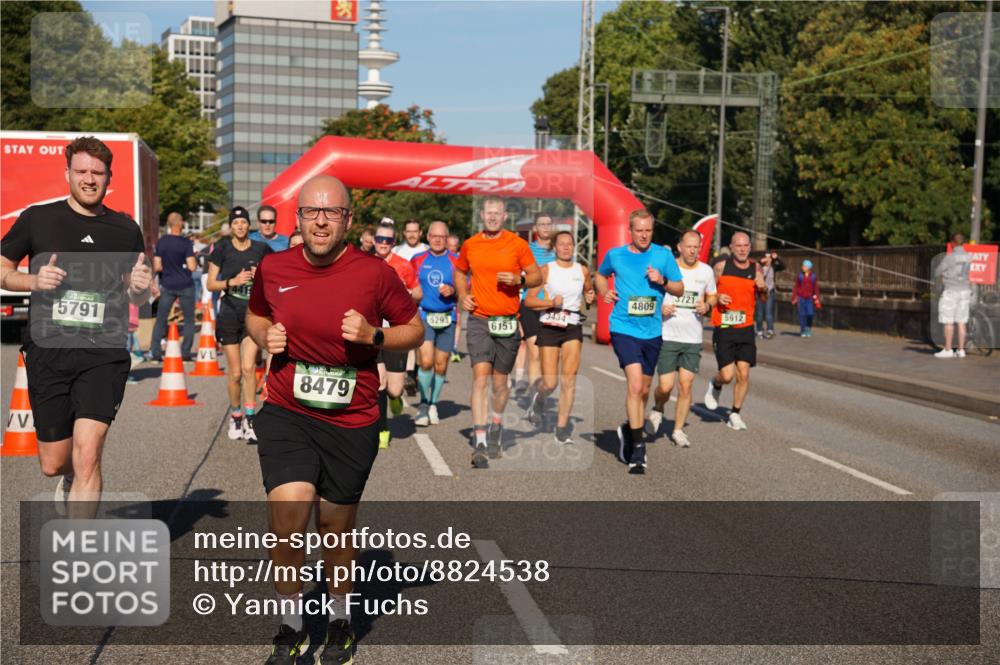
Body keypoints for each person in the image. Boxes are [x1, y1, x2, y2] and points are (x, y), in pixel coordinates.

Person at [246, 175, 423, 665]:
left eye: (331, 212)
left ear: (348, 219)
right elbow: (256, 316)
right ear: (297, 218)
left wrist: (376, 336)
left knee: (334, 530)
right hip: (287, 409)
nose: (320, 220)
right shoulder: (274, 265)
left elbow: (414, 328)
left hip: (352, 418)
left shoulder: (374, 274)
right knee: (289, 515)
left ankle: (341, 617)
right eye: (310, 212)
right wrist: (265, 337)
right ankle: (291, 626)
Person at [0, 136, 153, 515]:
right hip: (49, 349)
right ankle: (69, 478)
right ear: (67, 173)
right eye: (82, 171)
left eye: (97, 173)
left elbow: (137, 294)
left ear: (109, 178)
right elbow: (2, 269)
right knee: (55, 462)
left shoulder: (125, 229)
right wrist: (33, 281)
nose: (89, 179)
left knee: (89, 453)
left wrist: (138, 289)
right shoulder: (39, 218)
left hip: (104, 351)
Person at [454, 197, 542, 468]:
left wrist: (521, 280)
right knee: (480, 378)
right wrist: (463, 294)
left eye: (497, 213)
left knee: (500, 383)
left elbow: (537, 276)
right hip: (480, 319)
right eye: (488, 213)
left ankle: (496, 425)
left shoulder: (517, 245)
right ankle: (480, 440)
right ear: (482, 215)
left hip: (507, 321)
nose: (492, 217)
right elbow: (459, 271)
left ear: (505, 216)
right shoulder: (471, 244)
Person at [595, 210, 684, 474]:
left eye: (648, 230)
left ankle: (628, 427)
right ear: (630, 231)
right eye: (639, 230)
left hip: (652, 333)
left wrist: (663, 281)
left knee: (644, 390)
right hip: (623, 328)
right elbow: (600, 275)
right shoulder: (616, 255)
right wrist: (604, 291)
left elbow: (680, 288)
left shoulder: (663, 255)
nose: (644, 235)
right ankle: (638, 447)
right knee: (634, 385)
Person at [207, 206, 272, 441]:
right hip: (229, 314)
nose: (240, 227)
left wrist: (261, 274)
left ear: (248, 224)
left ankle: (250, 417)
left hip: (253, 316)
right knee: (234, 373)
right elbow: (211, 284)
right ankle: (236, 415)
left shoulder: (261, 249)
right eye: (236, 223)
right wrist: (233, 281)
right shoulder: (222, 249)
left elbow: (275, 276)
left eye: (244, 222)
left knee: (248, 368)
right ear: (231, 227)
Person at [524, 231, 595, 443]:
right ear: (554, 247)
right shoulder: (545, 270)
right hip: (549, 326)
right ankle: (539, 399)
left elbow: (588, 293)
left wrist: (589, 298)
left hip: (572, 325)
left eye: (569, 244)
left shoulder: (582, 270)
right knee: (550, 382)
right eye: (562, 244)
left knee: (569, 379)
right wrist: (549, 303)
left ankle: (562, 428)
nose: (566, 248)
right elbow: (529, 301)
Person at [648, 230, 717, 447]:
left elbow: (712, 294)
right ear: (680, 247)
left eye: (696, 246)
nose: (693, 250)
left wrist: (707, 305)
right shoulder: (669, 268)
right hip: (668, 335)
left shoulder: (706, 271)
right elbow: (650, 295)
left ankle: (678, 430)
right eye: (689, 246)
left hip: (692, 338)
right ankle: (658, 408)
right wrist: (661, 307)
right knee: (665, 387)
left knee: (686, 386)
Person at [704, 231, 767, 431]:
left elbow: (763, 299)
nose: (742, 249)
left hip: (746, 327)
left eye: (746, 245)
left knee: (744, 373)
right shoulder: (721, 267)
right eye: (738, 245)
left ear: (750, 247)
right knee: (727, 375)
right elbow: (708, 292)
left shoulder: (756, 269)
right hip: (724, 326)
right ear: (731, 247)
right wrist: (718, 297)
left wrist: (763, 288)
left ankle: (735, 413)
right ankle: (715, 383)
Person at [373, 222, 422, 447]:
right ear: (373, 240)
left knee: (394, 388)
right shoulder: (364, 263)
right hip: (372, 332)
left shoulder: (403, 265)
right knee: (379, 382)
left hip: (396, 332)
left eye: (388, 240)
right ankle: (381, 430)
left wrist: (407, 295)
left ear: (394, 242)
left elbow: (418, 293)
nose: (383, 244)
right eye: (380, 239)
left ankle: (395, 398)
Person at [410, 221, 459, 427]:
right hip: (424, 315)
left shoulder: (457, 261)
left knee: (441, 364)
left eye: (442, 236)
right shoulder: (418, 259)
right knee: (427, 361)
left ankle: (433, 404)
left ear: (447, 239)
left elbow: (467, 288)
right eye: (434, 236)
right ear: (428, 237)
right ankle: (422, 404)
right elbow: (409, 286)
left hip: (448, 317)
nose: (438, 239)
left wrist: (454, 291)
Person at [513, 213, 557, 398]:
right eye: (542, 224)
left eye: (548, 224)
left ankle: (545, 387)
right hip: (529, 304)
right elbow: (518, 276)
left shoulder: (559, 251)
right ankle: (534, 397)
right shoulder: (526, 249)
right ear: (535, 228)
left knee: (550, 354)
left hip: (552, 306)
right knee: (534, 351)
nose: (545, 227)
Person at [150, 212, 197, 361]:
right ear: (179, 224)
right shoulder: (186, 243)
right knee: (189, 320)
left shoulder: (162, 242)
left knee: (161, 319)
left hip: (167, 284)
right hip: (185, 285)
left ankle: (156, 353)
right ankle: (185, 353)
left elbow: (157, 266)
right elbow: (192, 266)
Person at [934, 233, 973, 358]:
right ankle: (961, 350)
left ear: (953, 243)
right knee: (962, 322)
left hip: (951, 291)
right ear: (963, 243)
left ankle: (948, 349)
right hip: (965, 291)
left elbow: (937, 271)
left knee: (948, 321)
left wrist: (944, 274)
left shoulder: (950, 257)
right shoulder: (968, 257)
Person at [754, 250, 784, 339]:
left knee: (769, 312)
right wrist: (760, 262)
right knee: (759, 313)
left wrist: (777, 258)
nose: (768, 259)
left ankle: (770, 330)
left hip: (770, 292)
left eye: (769, 258)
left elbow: (783, 266)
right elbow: (752, 266)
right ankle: (759, 330)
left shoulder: (773, 267)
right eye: (766, 257)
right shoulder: (760, 267)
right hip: (760, 292)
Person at [792, 259, 821, 337]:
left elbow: (816, 288)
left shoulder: (813, 277)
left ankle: (808, 328)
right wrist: (794, 297)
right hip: (801, 298)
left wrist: (817, 298)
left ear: (809, 267)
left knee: (810, 313)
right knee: (802, 314)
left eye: (804, 266)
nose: (803, 267)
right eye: (803, 265)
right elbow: (796, 287)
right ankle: (803, 330)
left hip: (809, 298)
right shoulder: (800, 276)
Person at [447, 233, 464, 363]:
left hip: (457, 295)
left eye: (454, 246)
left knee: (457, 321)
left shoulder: (460, 259)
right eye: (450, 246)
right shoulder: (442, 257)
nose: (452, 249)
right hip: (441, 295)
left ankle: (454, 347)